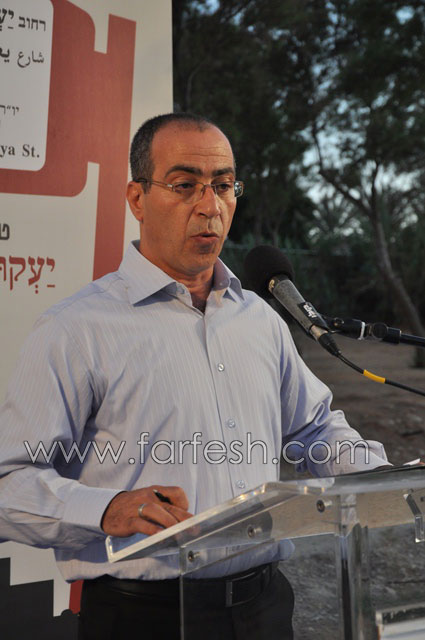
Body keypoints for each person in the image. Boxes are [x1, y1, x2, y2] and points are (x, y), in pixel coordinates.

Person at [0, 113, 390, 639]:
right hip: (144, 617)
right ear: (137, 198)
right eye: (185, 186)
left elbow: (313, 430)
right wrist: (107, 507)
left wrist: (386, 478)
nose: (210, 207)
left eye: (224, 186)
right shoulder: (76, 329)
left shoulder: (259, 320)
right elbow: (9, 481)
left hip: (265, 608)